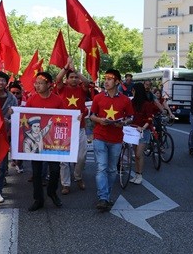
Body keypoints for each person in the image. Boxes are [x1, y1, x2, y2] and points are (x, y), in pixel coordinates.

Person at [90, 69, 134, 211]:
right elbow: (91, 115)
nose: (106, 81)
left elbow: (131, 117)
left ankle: (107, 196)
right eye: (105, 78)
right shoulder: (98, 98)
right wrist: (99, 120)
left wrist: (123, 123)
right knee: (101, 167)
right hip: (100, 136)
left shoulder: (125, 100)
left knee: (111, 169)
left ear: (117, 82)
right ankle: (103, 197)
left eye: (110, 79)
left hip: (116, 138)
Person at [25, 71, 65, 212]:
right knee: (36, 172)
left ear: (49, 84)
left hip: (53, 142)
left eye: (40, 83)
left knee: (55, 170)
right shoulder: (32, 100)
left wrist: (76, 119)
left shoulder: (58, 100)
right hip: (36, 143)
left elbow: (66, 120)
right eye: (36, 83)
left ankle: (52, 192)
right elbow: (25, 118)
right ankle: (38, 199)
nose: (37, 85)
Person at [55, 57, 89, 195]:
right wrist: (66, 66)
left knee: (81, 156)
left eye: (76, 77)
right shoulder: (62, 89)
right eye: (71, 77)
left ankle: (78, 176)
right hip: (63, 127)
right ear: (67, 79)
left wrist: (75, 70)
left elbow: (86, 82)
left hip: (79, 127)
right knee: (64, 159)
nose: (74, 79)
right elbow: (57, 79)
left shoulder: (82, 89)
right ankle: (65, 184)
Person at [0, 71, 18, 204]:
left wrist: (10, 120)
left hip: (3, 135)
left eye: (3, 80)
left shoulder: (12, 99)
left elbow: (17, 117)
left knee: (2, 164)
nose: (1, 83)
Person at [129, 83, 155, 185]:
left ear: (137, 91)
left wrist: (143, 128)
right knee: (136, 155)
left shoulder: (147, 104)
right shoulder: (132, 102)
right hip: (133, 131)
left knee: (139, 154)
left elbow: (150, 118)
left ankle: (140, 174)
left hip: (144, 131)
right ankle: (136, 174)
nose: (132, 92)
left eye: (134, 90)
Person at [9, 81, 25, 173]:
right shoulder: (6, 101)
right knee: (10, 146)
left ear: (21, 93)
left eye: (17, 93)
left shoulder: (25, 102)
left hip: (21, 129)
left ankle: (19, 164)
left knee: (21, 147)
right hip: (8, 130)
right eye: (13, 93)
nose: (15, 95)